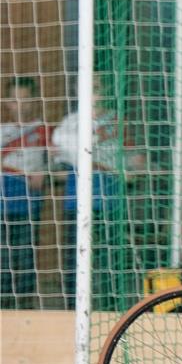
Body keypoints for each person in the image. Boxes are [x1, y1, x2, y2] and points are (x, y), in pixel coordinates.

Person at [52, 90, 146, 310]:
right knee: (75, 261)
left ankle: (110, 310)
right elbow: (55, 164)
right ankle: (72, 310)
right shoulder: (70, 124)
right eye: (90, 88)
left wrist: (130, 169)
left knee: (108, 262)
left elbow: (138, 162)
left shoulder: (116, 122)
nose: (94, 94)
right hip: (77, 204)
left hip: (109, 204)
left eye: (98, 87)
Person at [0, 77, 49, 308]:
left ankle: (26, 309)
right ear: (8, 103)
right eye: (15, 99)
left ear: (33, 101)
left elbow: (60, 166)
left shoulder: (43, 131)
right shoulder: (2, 130)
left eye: (25, 99)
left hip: (27, 206)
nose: (20, 105)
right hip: (1, 205)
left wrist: (45, 172)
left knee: (24, 260)